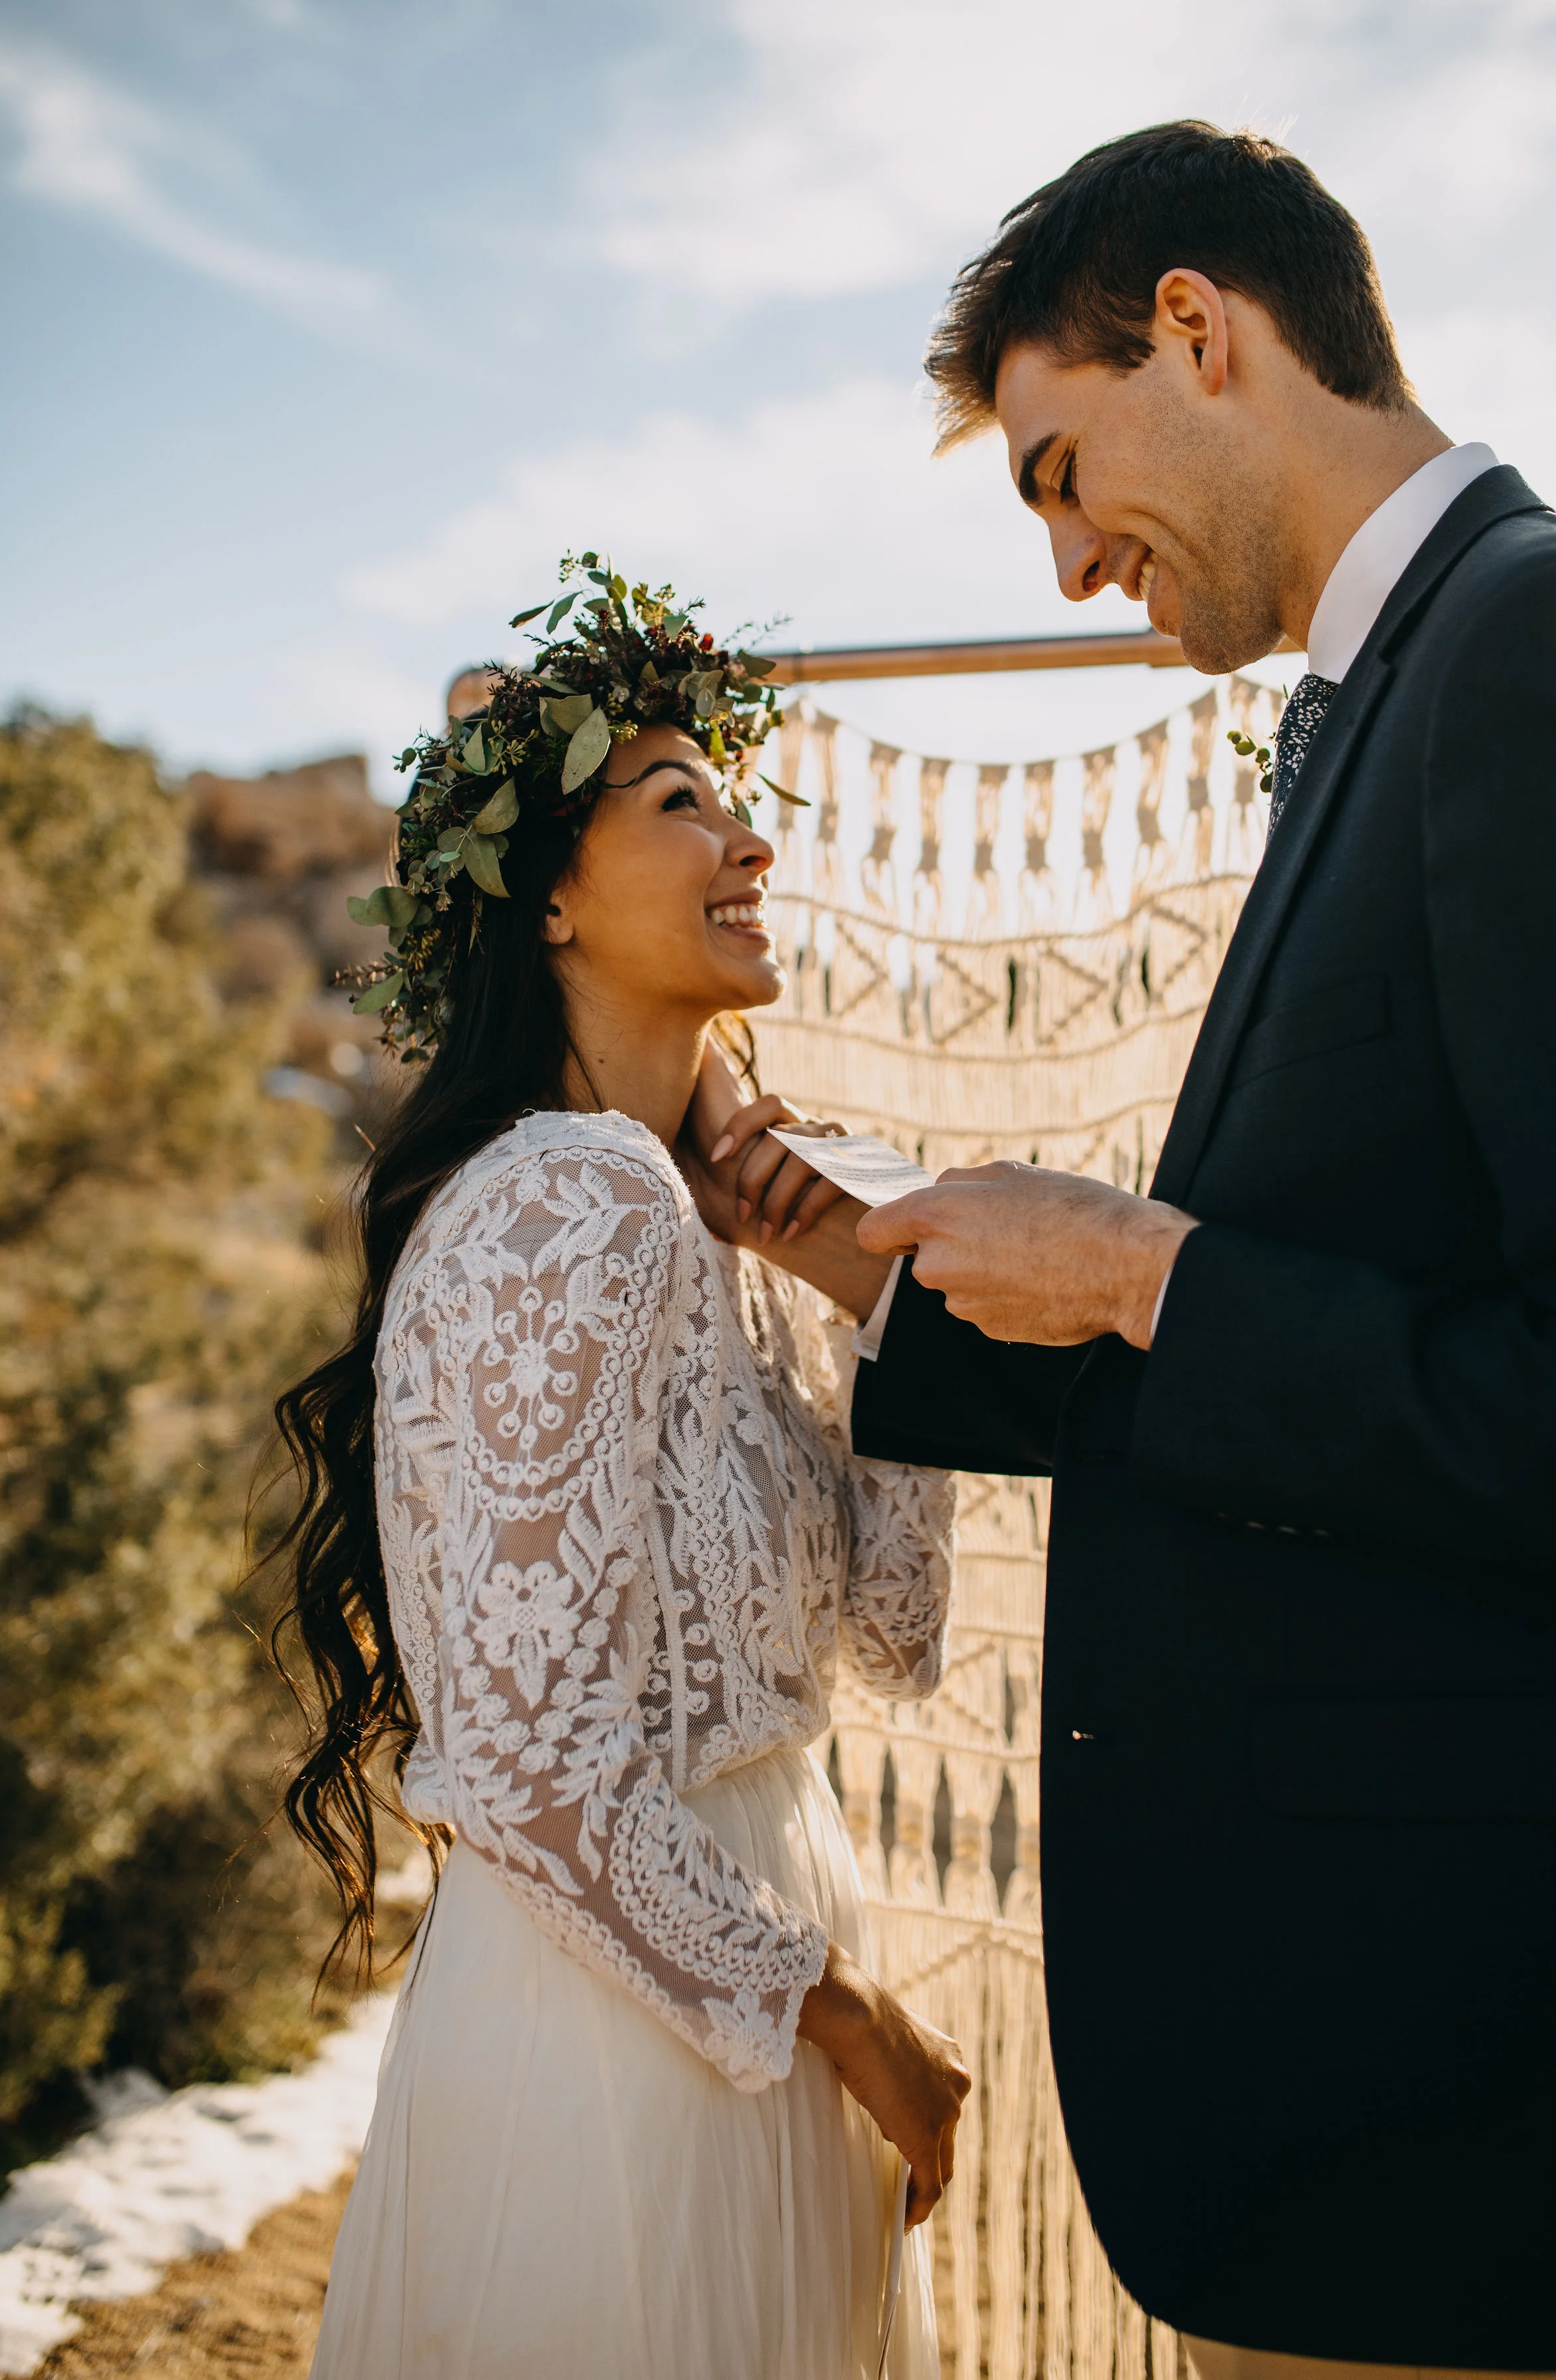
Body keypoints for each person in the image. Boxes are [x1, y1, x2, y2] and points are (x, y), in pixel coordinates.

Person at [685, 123, 1556, 2380]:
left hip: (1445, 2080)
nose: (1073, 566)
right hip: (1344, 2091)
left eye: (1065, 472)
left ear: (1201, 328)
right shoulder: (1403, 685)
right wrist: (868, 1257)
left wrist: (1157, 1272)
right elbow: (1354, 1312)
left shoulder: (1526, 652)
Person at [272, 565, 968, 2380]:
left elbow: (891, 1631)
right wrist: (856, 2019)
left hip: (759, 1983)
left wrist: (858, 1285)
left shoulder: (705, 1227)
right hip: (629, 2047)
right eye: (683, 804)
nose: (747, 843)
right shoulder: (571, 1203)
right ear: (552, 899)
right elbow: (527, 1768)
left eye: (738, 807)